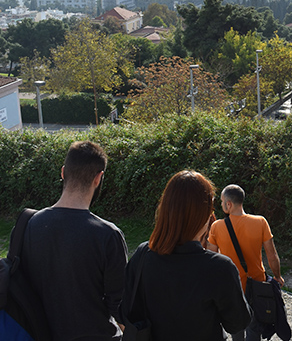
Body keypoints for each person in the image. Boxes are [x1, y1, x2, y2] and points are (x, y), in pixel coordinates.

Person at [122, 171, 251, 339]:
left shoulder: (143, 254)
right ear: (205, 216)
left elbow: (124, 311)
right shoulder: (219, 267)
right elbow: (237, 323)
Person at [22, 140, 128, 340]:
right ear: (98, 178)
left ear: (63, 172)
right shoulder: (108, 235)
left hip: (41, 334)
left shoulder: (30, 225)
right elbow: (121, 306)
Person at [208, 184, 285, 341]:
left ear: (228, 204)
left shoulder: (217, 227)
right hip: (256, 284)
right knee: (254, 328)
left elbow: (211, 258)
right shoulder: (260, 222)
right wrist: (277, 276)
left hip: (232, 286)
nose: (222, 205)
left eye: (222, 201)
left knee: (236, 329)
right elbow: (272, 254)